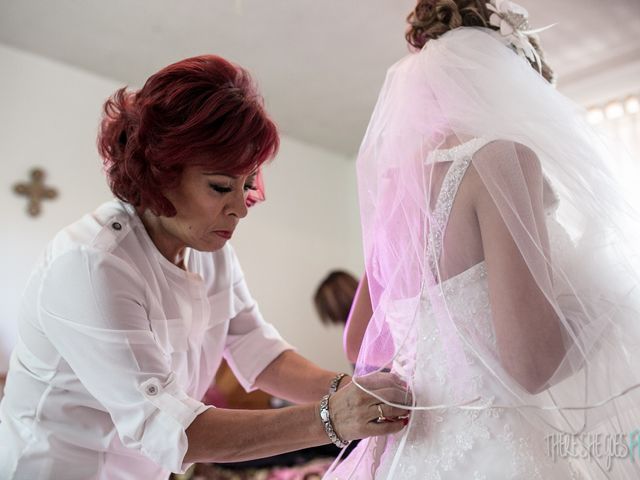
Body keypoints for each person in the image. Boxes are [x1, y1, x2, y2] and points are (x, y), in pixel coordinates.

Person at [0, 55, 410, 480]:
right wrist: (332, 419)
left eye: (246, 185)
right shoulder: (92, 265)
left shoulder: (210, 251)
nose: (240, 209)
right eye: (220, 187)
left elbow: (257, 347)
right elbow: (172, 429)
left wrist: (352, 391)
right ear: (160, 174)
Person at [329, 1, 640, 478]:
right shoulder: (501, 158)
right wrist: (608, 307)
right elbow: (531, 364)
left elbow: (360, 342)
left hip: (405, 453)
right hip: (492, 447)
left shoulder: (397, 184)